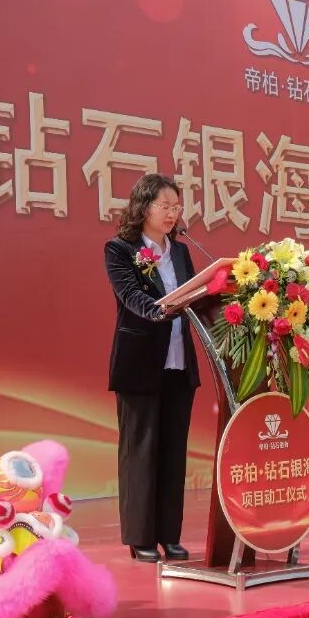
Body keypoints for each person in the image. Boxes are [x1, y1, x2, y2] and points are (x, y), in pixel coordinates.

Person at [103, 174, 200, 563]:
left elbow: (196, 295)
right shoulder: (120, 249)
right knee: (140, 454)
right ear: (144, 208)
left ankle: (169, 536)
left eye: (177, 207)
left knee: (173, 454)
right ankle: (141, 537)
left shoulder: (181, 252)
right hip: (140, 365)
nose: (172, 214)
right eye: (165, 206)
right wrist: (163, 309)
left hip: (178, 362)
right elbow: (129, 295)